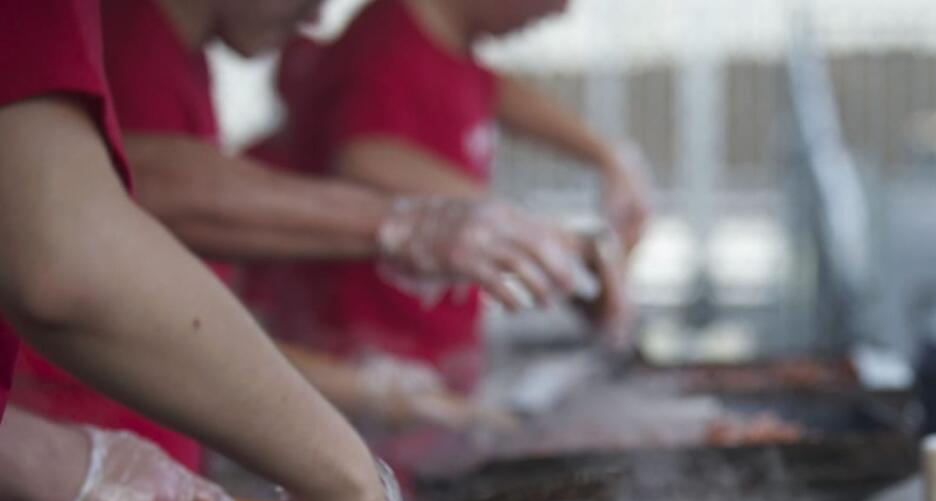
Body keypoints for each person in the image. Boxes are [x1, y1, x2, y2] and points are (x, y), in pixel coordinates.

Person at [0, 0, 484, 501]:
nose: (318, 15)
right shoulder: (126, 39)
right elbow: (68, 251)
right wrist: (348, 483)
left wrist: (42, 456)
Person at [97, 0, 584, 433]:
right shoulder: (129, 44)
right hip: (104, 440)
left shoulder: (180, 55)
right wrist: (408, 227)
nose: (315, 19)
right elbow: (137, 193)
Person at [247, 0, 653, 396]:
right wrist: (534, 235)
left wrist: (609, 155)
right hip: (364, 371)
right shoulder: (387, 42)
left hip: (426, 372)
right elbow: (366, 156)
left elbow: (495, 89)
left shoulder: (450, 46)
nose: (562, 10)